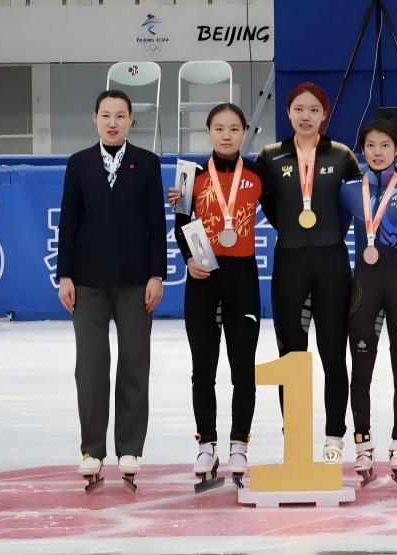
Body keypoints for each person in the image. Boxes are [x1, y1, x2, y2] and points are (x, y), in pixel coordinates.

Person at [255, 82, 397, 462]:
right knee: (290, 354)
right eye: (299, 109)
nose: (306, 116)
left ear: (325, 114)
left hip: (331, 265)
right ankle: (294, 437)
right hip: (289, 264)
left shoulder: (342, 155)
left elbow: (369, 191)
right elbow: (262, 198)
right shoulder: (269, 156)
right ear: (288, 113)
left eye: (314, 110)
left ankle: (334, 436)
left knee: (334, 353)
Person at [57, 89, 167, 491]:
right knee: (90, 366)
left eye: (121, 115)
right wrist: (64, 276)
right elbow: (68, 221)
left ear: (131, 120)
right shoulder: (79, 163)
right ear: (95, 118)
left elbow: (156, 223)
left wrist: (157, 275)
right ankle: (92, 450)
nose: (113, 122)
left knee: (134, 363)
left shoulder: (147, 164)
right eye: (106, 115)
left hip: (136, 282)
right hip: (87, 282)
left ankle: (130, 448)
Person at [168, 103, 274, 490]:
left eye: (233, 128)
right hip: (203, 277)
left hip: (242, 277)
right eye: (219, 128)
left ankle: (239, 445)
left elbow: (285, 213)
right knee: (203, 369)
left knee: (243, 368)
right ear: (208, 132)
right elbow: (180, 225)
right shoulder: (190, 176)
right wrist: (188, 259)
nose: (226, 135)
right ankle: (206, 445)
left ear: (244, 132)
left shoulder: (259, 174)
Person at [340, 119, 397, 486]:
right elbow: (330, 231)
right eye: (370, 145)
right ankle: (363, 446)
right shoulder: (349, 190)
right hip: (363, 289)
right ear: (362, 149)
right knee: (361, 371)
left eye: (384, 145)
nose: (377, 152)